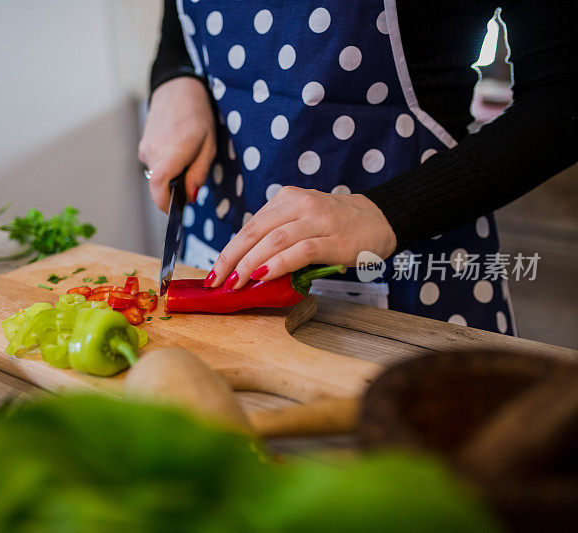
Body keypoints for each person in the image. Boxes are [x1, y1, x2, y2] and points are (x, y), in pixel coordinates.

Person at [138, 0, 576, 334]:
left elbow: (565, 94)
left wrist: (384, 212)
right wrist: (174, 77)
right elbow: (178, 23)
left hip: (412, 272)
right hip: (214, 236)